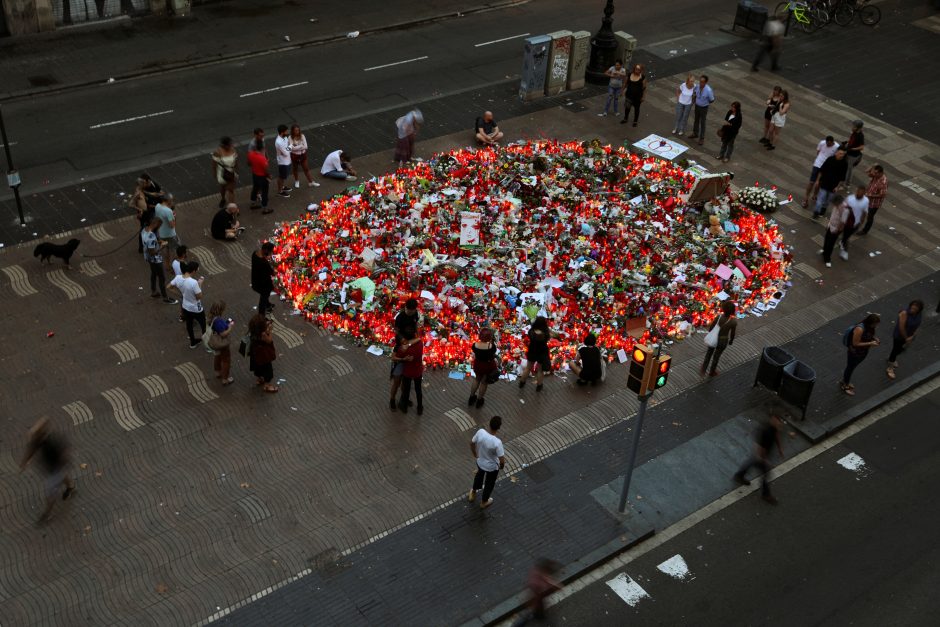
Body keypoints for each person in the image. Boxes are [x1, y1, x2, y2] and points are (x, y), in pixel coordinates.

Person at [19, 417, 76, 523]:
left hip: (55, 469)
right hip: (56, 468)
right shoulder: (37, 441)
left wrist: (64, 460)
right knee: (63, 476)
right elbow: (31, 450)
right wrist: (24, 462)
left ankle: (47, 514)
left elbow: (63, 453)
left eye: (34, 435)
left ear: (39, 435)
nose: (31, 438)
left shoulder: (50, 442)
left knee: (50, 493)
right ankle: (70, 487)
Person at [733, 414, 784, 505]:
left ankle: (739, 475)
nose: (778, 423)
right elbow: (761, 449)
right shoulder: (767, 432)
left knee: (752, 462)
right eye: (777, 421)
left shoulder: (773, 428)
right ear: (772, 420)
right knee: (766, 473)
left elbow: (776, 435)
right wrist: (766, 461)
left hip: (762, 452)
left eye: (778, 421)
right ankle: (766, 494)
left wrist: (780, 448)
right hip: (761, 453)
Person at [468, 415, 506, 510]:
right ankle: (484, 501)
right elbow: (502, 459)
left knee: (479, 476)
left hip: (480, 462)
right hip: (492, 467)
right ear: (499, 427)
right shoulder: (497, 442)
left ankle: (473, 492)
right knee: (489, 483)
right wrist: (501, 466)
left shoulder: (481, 432)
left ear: (489, 424)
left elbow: (472, 443)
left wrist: (475, 454)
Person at [512, 559, 563, 625]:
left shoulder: (536, 571)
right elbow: (541, 594)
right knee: (529, 615)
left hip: (531, 599)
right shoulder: (540, 583)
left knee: (531, 614)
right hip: (534, 602)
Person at [841, 313, 880, 395]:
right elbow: (855, 343)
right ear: (870, 322)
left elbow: (867, 336)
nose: (876, 326)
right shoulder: (860, 329)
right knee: (850, 368)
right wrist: (870, 343)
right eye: (875, 324)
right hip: (854, 352)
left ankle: (845, 380)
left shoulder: (869, 328)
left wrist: (874, 338)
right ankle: (845, 385)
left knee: (852, 367)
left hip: (862, 352)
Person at [141, 218, 178, 305]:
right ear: (156, 225)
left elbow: (150, 243)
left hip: (148, 258)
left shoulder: (144, 230)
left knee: (153, 273)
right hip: (155, 259)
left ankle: (154, 291)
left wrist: (158, 241)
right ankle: (165, 297)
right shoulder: (151, 236)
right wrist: (162, 246)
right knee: (162, 278)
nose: (159, 228)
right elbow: (152, 252)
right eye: (159, 226)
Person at [886, 300, 923, 379]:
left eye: (916, 308)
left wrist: (913, 336)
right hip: (900, 336)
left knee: (901, 349)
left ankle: (891, 359)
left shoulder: (919, 314)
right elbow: (901, 328)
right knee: (895, 350)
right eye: (912, 307)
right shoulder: (904, 313)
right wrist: (907, 338)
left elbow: (918, 324)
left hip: (910, 336)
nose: (913, 309)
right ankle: (890, 367)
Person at [518, 316, 556, 392]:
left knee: (528, 368)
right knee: (540, 370)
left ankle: (522, 382)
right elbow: (550, 337)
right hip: (542, 352)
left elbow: (530, 337)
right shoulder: (545, 333)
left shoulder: (531, 331)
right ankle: (539, 386)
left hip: (532, 350)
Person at [175, 261, 206, 349]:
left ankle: (193, 342)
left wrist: (179, 294)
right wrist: (200, 284)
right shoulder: (193, 282)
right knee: (203, 325)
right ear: (194, 271)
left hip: (185, 306)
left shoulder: (178, 278)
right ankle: (207, 345)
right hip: (196, 308)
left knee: (189, 325)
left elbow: (170, 286)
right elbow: (199, 297)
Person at [701, 301, 737, 376]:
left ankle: (703, 369)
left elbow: (711, 327)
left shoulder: (718, 317)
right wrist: (731, 340)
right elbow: (732, 333)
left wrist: (711, 334)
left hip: (714, 339)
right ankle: (712, 371)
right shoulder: (733, 322)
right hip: (723, 340)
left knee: (709, 354)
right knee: (716, 357)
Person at [801, 136, 838, 209]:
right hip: (817, 164)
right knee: (812, 182)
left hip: (826, 167)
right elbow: (818, 152)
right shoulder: (822, 143)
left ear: (832, 142)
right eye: (827, 143)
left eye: (829, 144)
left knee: (819, 183)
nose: (827, 145)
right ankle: (805, 198)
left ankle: (814, 195)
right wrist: (820, 159)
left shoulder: (836, 147)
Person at [813, 147, 848, 219]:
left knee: (828, 200)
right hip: (824, 183)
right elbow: (822, 170)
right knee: (820, 199)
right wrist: (817, 180)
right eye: (840, 153)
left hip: (833, 186)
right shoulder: (830, 159)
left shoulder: (844, 164)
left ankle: (823, 209)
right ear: (836, 152)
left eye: (843, 154)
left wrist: (837, 187)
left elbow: (842, 177)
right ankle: (816, 212)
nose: (841, 155)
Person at [469, 328, 499, 409]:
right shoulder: (491, 347)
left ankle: (471, 398)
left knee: (476, 380)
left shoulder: (475, 345)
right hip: (487, 367)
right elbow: (493, 354)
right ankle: (479, 400)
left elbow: (475, 352)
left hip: (478, 365)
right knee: (484, 383)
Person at [397, 327, 424, 415]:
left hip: (407, 372)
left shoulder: (404, 348)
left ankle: (404, 407)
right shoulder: (420, 343)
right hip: (418, 371)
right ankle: (419, 407)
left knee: (406, 390)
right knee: (418, 390)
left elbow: (398, 356)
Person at [249, 313, 278, 393]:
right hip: (264, 355)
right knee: (267, 369)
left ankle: (259, 379)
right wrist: (270, 331)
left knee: (257, 366)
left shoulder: (254, 333)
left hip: (256, 354)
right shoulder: (263, 334)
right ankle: (267, 385)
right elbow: (269, 340)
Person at [208, 300, 235, 385]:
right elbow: (223, 334)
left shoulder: (211, 317)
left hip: (215, 342)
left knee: (217, 356)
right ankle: (225, 379)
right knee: (226, 360)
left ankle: (218, 372)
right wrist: (230, 327)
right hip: (221, 343)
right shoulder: (218, 320)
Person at [840, 185, 869, 261]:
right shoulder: (850, 198)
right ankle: (845, 251)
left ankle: (843, 241)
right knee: (846, 237)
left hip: (856, 223)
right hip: (847, 221)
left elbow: (864, 212)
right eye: (858, 192)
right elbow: (843, 208)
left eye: (862, 193)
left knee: (847, 235)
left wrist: (861, 221)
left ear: (864, 193)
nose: (859, 194)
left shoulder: (866, 200)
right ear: (856, 191)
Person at [821, 194, 849, 268]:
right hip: (831, 225)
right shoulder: (836, 206)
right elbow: (832, 216)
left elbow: (843, 222)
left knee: (831, 244)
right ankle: (824, 251)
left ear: (838, 202)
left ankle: (827, 259)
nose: (833, 205)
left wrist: (837, 230)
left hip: (836, 228)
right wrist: (828, 224)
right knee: (826, 239)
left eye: (834, 203)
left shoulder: (845, 209)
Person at [859, 164, 888, 234]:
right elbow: (867, 172)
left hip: (874, 203)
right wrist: (872, 166)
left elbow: (882, 195)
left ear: (881, 173)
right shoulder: (876, 175)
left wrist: (870, 195)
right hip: (867, 198)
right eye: (874, 172)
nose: (874, 174)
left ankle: (865, 230)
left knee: (870, 217)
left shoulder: (883, 182)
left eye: (876, 173)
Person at [154, 193, 179, 272]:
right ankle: (175, 267)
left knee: (166, 251)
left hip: (161, 233)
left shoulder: (157, 206)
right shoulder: (168, 211)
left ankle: (167, 266)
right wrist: (174, 217)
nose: (172, 202)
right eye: (171, 200)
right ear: (168, 201)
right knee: (177, 250)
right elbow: (172, 225)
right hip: (170, 235)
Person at [289, 124, 319, 188]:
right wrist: (301, 146)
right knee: (295, 169)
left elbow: (306, 146)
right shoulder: (290, 137)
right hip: (295, 156)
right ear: (293, 131)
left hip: (303, 155)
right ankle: (297, 181)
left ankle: (311, 182)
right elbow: (292, 148)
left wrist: (296, 146)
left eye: (298, 130)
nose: (297, 131)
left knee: (306, 168)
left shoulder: (302, 136)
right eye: (295, 130)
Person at [211, 136, 238, 209]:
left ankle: (232, 207)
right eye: (229, 144)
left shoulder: (233, 150)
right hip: (222, 173)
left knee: (231, 190)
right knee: (223, 187)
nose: (231, 146)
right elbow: (214, 164)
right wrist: (215, 174)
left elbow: (235, 161)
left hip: (231, 172)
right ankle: (223, 198)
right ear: (224, 145)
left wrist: (236, 171)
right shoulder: (218, 152)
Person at [247, 139, 271, 214]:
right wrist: (269, 176)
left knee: (255, 188)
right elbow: (266, 169)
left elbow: (248, 163)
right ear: (262, 148)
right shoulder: (262, 158)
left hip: (255, 175)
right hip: (262, 177)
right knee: (264, 192)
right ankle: (265, 208)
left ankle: (252, 203)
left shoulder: (250, 154)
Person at [251, 242, 276, 316]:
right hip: (263, 285)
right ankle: (261, 316)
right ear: (267, 251)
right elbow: (272, 272)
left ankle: (268, 305)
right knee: (264, 297)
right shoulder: (264, 263)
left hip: (255, 280)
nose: (271, 254)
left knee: (264, 296)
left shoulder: (255, 254)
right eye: (271, 252)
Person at [689, 75, 715, 145]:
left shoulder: (708, 90)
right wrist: (693, 100)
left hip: (704, 108)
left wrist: (705, 103)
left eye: (702, 82)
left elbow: (712, 100)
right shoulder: (697, 86)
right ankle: (695, 133)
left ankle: (702, 138)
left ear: (706, 82)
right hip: (697, 106)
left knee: (702, 122)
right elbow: (695, 93)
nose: (701, 83)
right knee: (696, 120)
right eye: (700, 81)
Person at [619, 63, 647, 127]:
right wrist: (622, 91)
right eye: (636, 69)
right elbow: (625, 84)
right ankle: (625, 118)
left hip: (637, 97)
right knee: (627, 107)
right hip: (629, 95)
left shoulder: (642, 77)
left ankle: (635, 121)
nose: (637, 70)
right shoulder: (629, 75)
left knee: (637, 109)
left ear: (641, 70)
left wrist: (643, 96)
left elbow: (644, 88)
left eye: (638, 69)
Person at [389, 334, 409, 411]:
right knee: (396, 384)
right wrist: (403, 359)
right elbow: (393, 357)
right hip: (399, 365)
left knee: (405, 384)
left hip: (406, 364)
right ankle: (392, 400)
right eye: (402, 342)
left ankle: (403, 398)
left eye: (405, 341)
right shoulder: (397, 347)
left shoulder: (408, 344)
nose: (404, 343)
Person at [130, 178, 150, 254]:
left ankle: (144, 246)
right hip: (143, 214)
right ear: (140, 184)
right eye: (144, 183)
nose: (145, 184)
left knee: (146, 229)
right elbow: (131, 204)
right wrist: (139, 209)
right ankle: (141, 247)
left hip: (145, 212)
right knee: (143, 230)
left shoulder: (142, 191)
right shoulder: (138, 193)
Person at [843, 120, 865, 186]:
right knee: (846, 167)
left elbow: (862, 147)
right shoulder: (854, 132)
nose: (852, 127)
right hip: (849, 152)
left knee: (849, 169)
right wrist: (847, 143)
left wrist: (853, 149)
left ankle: (847, 183)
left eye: (854, 126)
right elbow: (851, 139)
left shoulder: (860, 136)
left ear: (858, 128)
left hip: (853, 156)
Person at [274, 124, 293, 198]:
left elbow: (286, 150)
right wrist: (291, 146)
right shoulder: (279, 142)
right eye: (286, 131)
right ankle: (280, 191)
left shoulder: (284, 138)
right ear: (282, 132)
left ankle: (282, 186)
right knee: (281, 176)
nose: (287, 132)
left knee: (284, 176)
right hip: (283, 162)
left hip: (287, 160)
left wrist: (288, 148)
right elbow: (285, 153)